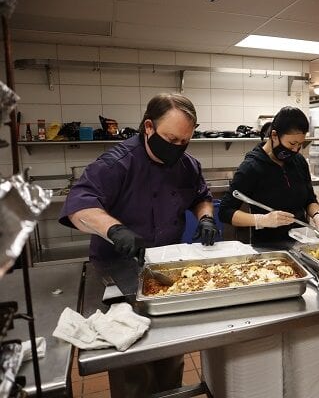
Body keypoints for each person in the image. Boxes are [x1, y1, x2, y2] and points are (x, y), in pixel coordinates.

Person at [59, 93, 218, 397]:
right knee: (132, 363)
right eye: (171, 139)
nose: (177, 148)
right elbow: (78, 205)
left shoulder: (187, 165)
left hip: (164, 271)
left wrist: (206, 219)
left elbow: (201, 196)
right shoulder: (117, 163)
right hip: (117, 273)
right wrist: (114, 229)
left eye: (185, 141)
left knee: (170, 352)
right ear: (148, 126)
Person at [219, 106, 319, 245]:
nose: (295, 149)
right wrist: (261, 220)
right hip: (269, 248)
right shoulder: (251, 167)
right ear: (274, 136)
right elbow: (225, 212)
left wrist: (318, 216)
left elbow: (309, 199)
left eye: (300, 144)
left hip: (303, 242)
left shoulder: (298, 161)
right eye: (292, 143)